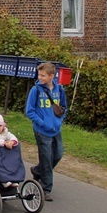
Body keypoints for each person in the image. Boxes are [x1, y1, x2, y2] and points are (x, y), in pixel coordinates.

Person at [26, 62, 67, 202]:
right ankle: (46, 188)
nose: (40, 77)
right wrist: (42, 123)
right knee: (46, 157)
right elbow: (29, 111)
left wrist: (59, 121)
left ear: (51, 76)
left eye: (43, 75)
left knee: (58, 153)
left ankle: (38, 170)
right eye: (39, 75)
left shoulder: (59, 89)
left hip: (55, 129)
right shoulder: (36, 90)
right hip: (42, 130)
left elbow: (63, 107)